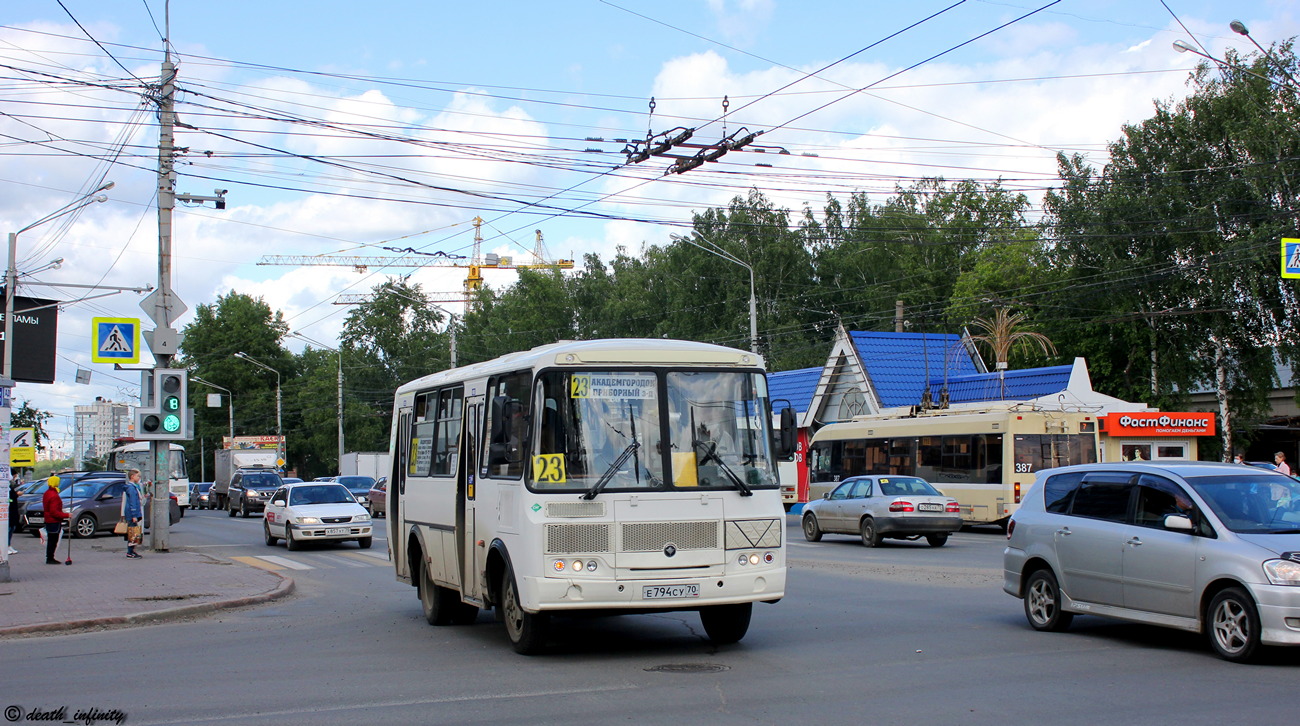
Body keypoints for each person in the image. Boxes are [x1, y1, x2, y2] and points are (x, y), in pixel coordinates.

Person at [41, 474, 68, 565]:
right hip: (54, 520)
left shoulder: (47, 493)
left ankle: (49, 557)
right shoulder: (54, 496)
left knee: (51, 539)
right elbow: (54, 512)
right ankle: (50, 557)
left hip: (48, 519)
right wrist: (67, 515)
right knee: (53, 540)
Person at [122, 469, 145, 559]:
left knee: (134, 533)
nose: (139, 478)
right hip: (132, 514)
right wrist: (134, 515)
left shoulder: (133, 487)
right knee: (133, 533)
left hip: (132, 513)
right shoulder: (131, 488)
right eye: (138, 476)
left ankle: (132, 551)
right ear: (132, 477)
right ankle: (130, 552)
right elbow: (132, 502)